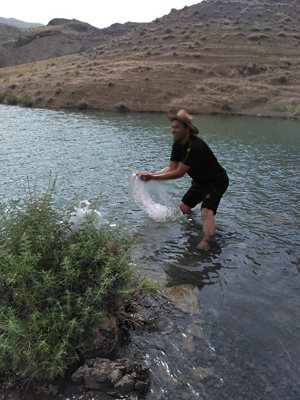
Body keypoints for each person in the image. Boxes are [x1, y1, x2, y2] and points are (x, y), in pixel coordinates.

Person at [136, 109, 229, 251]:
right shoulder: (178, 144)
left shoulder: (195, 146)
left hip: (216, 182)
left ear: (187, 128)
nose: (173, 130)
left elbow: (178, 173)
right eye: (172, 127)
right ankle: (195, 226)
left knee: (206, 211)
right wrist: (151, 174)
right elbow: (170, 167)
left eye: (177, 127)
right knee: (183, 209)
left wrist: (153, 178)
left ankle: (206, 240)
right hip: (200, 182)